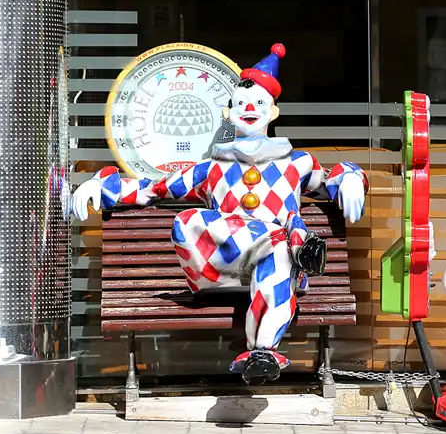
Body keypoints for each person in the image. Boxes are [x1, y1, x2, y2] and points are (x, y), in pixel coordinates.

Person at [70, 44, 368, 384]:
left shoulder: (297, 163)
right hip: (220, 270)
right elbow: (153, 189)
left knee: (280, 254)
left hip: (275, 274)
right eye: (242, 104)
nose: (250, 109)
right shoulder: (211, 168)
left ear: (273, 112)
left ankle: (262, 353)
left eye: (259, 104)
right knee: (191, 221)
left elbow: (329, 180)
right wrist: (100, 187)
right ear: (229, 113)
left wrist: (352, 178)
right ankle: (292, 243)